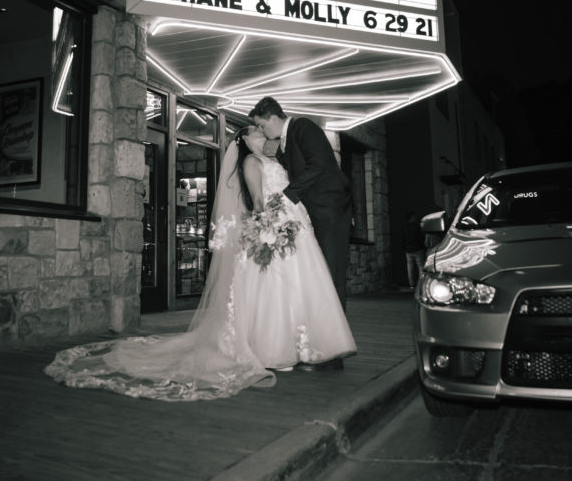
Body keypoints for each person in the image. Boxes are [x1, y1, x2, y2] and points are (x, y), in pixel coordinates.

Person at [43, 126, 355, 401]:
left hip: (289, 231)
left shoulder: (276, 161)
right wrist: (270, 228)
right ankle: (272, 349)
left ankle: (296, 346)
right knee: (272, 294)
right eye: (256, 133)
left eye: (262, 132)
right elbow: (259, 204)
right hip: (270, 230)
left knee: (288, 293)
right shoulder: (250, 162)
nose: (262, 136)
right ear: (245, 140)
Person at [249, 97, 352, 370]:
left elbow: (318, 165)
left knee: (332, 276)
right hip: (311, 216)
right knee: (319, 280)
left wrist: (287, 196)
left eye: (261, 125)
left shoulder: (304, 127)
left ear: (271, 117)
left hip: (330, 212)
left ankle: (334, 353)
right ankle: (318, 345)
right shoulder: (282, 143)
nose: (261, 132)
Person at [403, 210, 427, 289]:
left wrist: (405, 247)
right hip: (417, 249)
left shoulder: (405, 227)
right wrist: (422, 246)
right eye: (414, 217)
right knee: (420, 266)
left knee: (410, 267)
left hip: (408, 250)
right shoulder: (417, 226)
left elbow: (403, 238)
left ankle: (411, 284)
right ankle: (420, 284)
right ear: (412, 217)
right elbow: (420, 237)